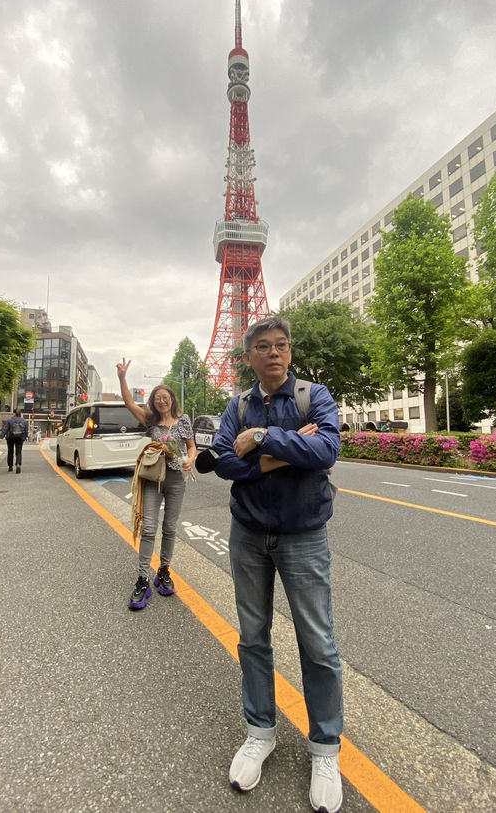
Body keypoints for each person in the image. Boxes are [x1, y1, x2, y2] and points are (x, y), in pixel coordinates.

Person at [213, 316, 344, 813]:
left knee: (318, 642)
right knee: (252, 636)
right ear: (248, 357)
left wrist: (263, 438)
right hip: (248, 532)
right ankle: (260, 731)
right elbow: (223, 461)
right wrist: (288, 452)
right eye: (262, 346)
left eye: (281, 345)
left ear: (290, 353)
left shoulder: (316, 396)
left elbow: (328, 449)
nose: (273, 353)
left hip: (303, 535)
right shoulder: (237, 404)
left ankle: (325, 750)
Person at [116, 358, 196, 611]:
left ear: (172, 399)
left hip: (176, 480)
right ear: (154, 401)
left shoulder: (183, 421)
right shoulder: (150, 420)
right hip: (152, 478)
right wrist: (122, 377)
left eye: (165, 397)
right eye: (158, 397)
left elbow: (192, 447)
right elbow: (129, 403)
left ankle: (163, 571)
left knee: (170, 528)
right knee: (149, 528)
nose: (162, 400)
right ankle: (142, 579)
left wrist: (190, 461)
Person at [0, 408, 28, 474]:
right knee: (18, 452)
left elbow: (5, 429)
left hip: (10, 437)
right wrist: (24, 437)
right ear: (20, 413)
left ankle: (10, 466)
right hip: (20, 438)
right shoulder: (24, 421)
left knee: (10, 451)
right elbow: (26, 430)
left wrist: (1, 437)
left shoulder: (10, 420)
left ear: (14, 413)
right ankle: (18, 464)